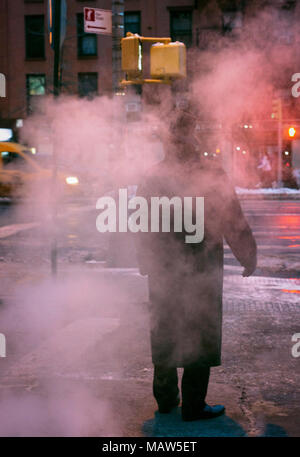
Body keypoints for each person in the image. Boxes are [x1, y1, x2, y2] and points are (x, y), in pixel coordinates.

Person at [134, 108, 257, 421]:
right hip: (200, 264)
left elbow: (140, 222)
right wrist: (247, 254)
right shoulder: (210, 172)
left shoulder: (153, 175)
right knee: (199, 329)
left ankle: (165, 400)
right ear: (192, 136)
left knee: (164, 327)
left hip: (164, 267)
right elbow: (232, 218)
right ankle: (193, 404)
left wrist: (145, 259)